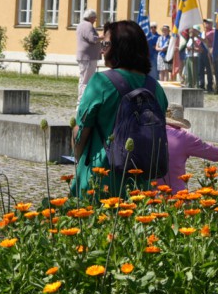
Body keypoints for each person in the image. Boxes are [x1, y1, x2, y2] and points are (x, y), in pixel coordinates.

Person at [72, 20, 168, 197]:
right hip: (140, 183)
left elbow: (81, 133)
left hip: (101, 179)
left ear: (120, 48)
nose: (102, 50)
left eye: (105, 44)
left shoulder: (100, 82)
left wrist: (77, 156)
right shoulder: (156, 88)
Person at [156, 107, 218, 190]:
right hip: (176, 194)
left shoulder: (151, 132)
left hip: (148, 194)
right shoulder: (185, 138)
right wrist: (208, 144)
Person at [74, 9, 103, 93]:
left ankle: (82, 97)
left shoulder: (81, 25)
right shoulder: (88, 25)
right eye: (94, 17)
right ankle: (83, 97)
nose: (95, 19)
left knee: (83, 79)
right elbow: (92, 39)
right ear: (90, 17)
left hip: (85, 56)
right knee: (87, 80)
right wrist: (102, 37)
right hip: (88, 57)